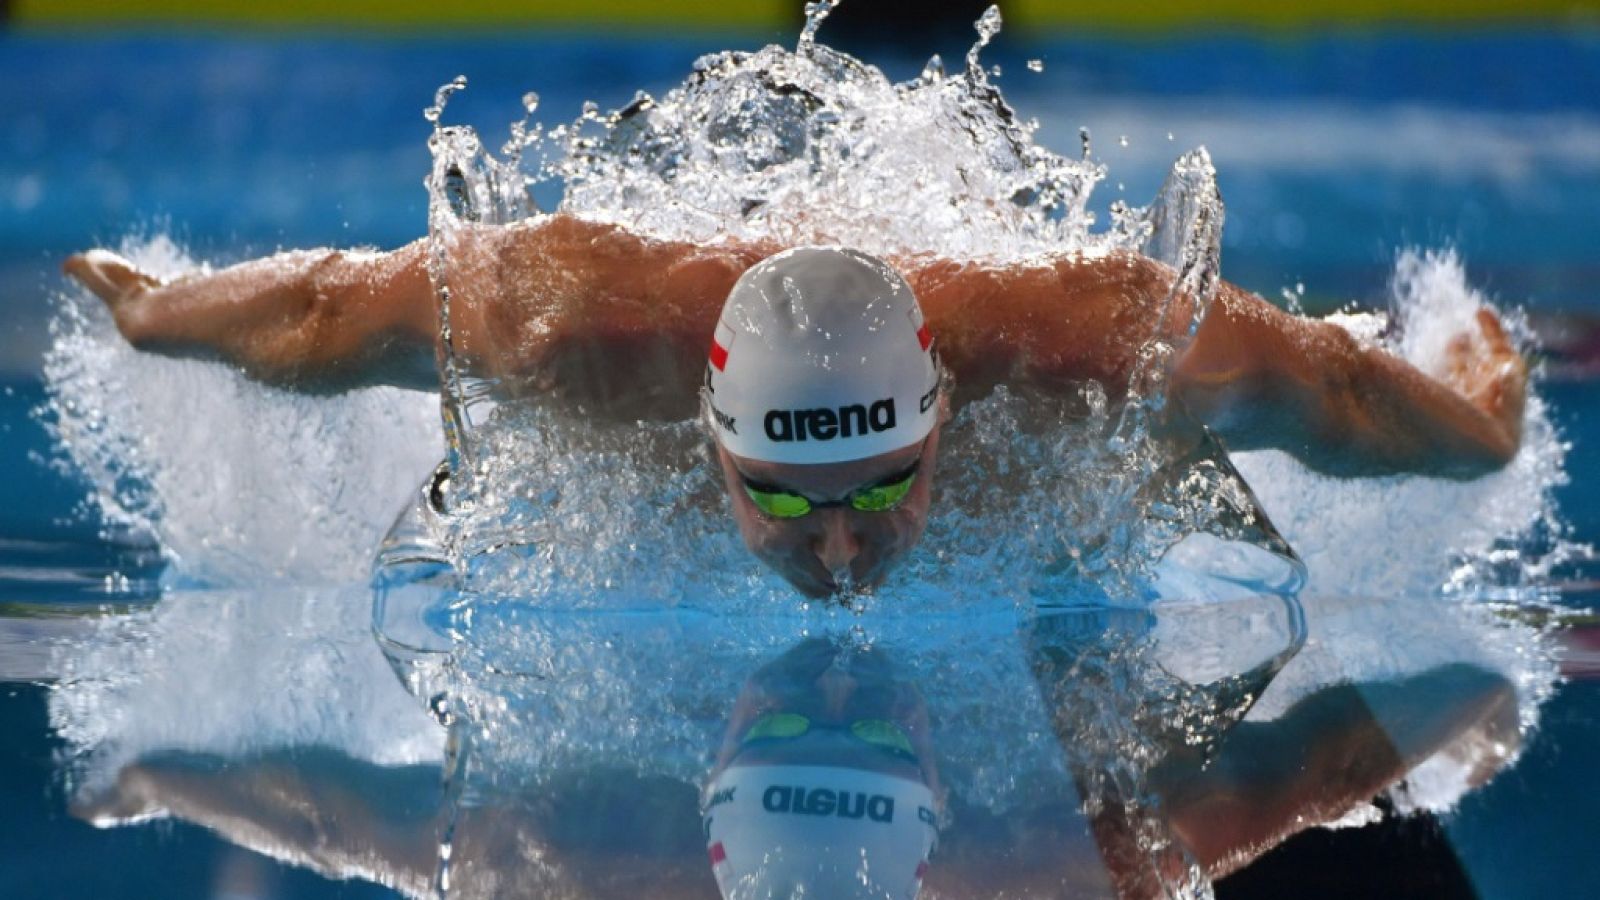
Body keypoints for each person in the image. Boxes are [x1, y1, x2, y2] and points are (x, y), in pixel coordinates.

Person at [63, 214, 1528, 597]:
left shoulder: (1087, 346)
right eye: (784, 496)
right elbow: (326, 311)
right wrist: (151, 309)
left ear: (945, 407)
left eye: (886, 483)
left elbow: (1322, 381)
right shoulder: (565, 330)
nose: (841, 548)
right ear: (705, 436)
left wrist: (1480, 417)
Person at [72, 630, 1522, 899]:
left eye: (791, 719)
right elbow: (1330, 763)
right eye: (866, 724)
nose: (840, 675)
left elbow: (355, 821)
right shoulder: (1074, 850)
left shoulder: (592, 858)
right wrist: (1481, 702)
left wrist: (160, 771)